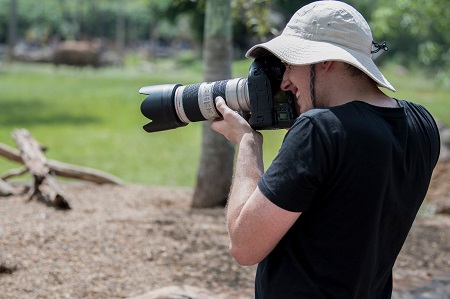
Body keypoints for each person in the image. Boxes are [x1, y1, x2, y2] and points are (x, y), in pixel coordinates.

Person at [210, 1, 441, 298]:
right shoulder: (421, 124)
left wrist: (247, 143)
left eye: (291, 63)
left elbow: (244, 245)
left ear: (324, 60)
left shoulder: (319, 130)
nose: (284, 80)